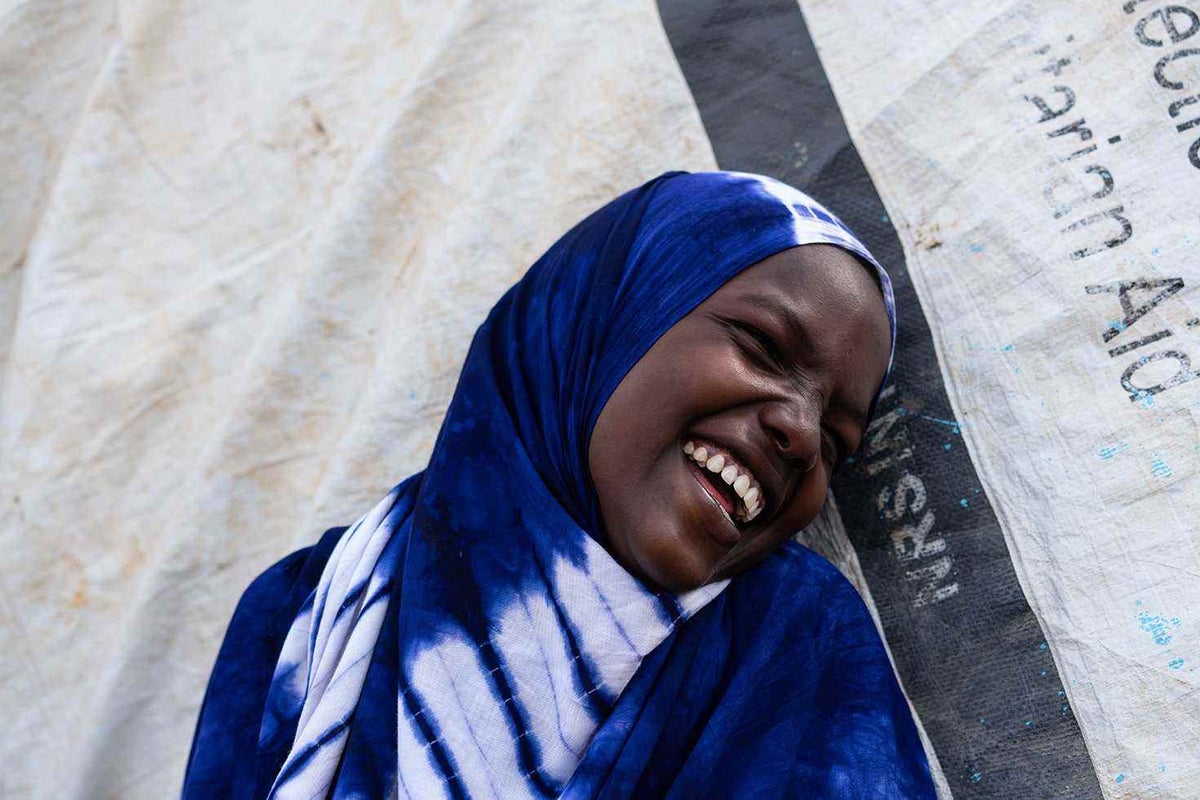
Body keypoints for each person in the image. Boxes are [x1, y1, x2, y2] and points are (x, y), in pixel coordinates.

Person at [182, 171, 934, 799]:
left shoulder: (798, 655)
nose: (802, 432)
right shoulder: (302, 617)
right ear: (602, 325)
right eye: (765, 347)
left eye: (836, 441)